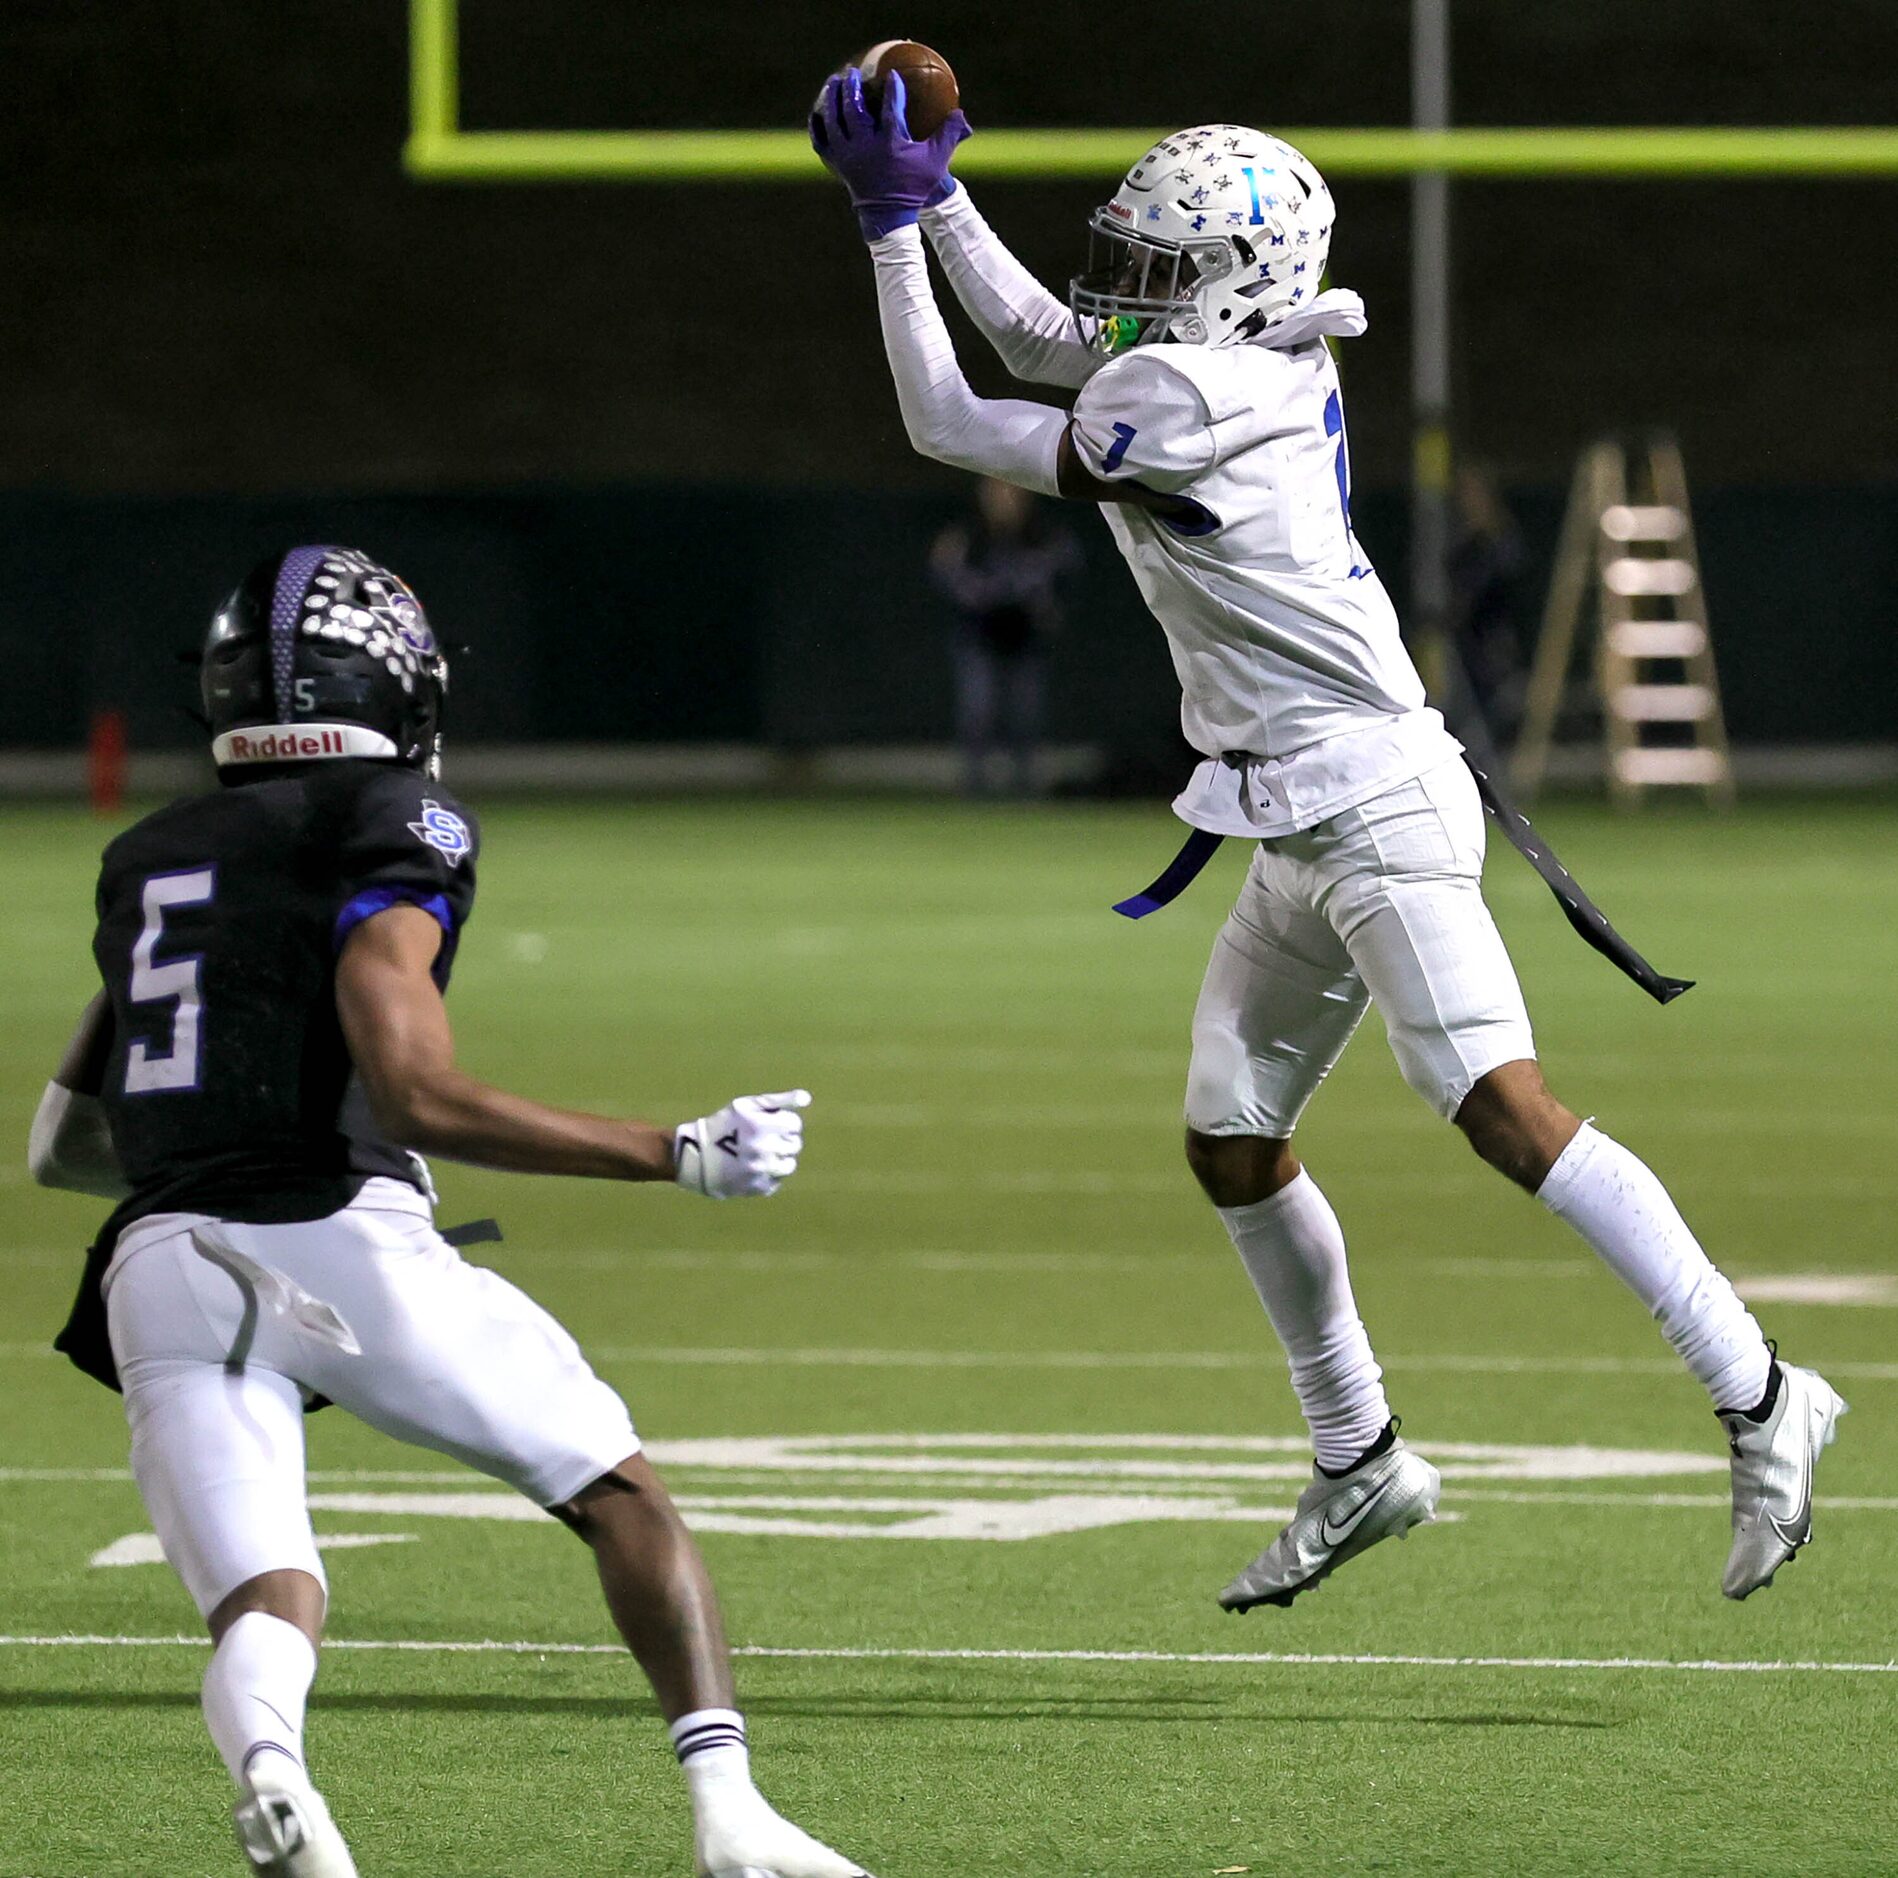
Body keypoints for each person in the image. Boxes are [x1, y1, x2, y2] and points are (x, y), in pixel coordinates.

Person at [810, 76, 1844, 1610]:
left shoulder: (1197, 398)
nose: (1130, 292)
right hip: (1286, 808)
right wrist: (939, 188)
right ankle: (1358, 1454)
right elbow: (1047, 347)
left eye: (1162, 269)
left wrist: (893, 221)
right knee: (1232, 1136)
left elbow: (949, 412)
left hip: (1367, 797)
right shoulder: (1213, 362)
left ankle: (1761, 1391)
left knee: (1500, 1109)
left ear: (1236, 289)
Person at [28, 546, 870, 1878]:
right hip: (343, 1242)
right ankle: (731, 1815)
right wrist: (677, 1150)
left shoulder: (151, 852)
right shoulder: (393, 817)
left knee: (270, 1592)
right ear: (399, 684)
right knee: (618, 1491)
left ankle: (274, 1769)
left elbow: (62, 1144)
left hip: (158, 1267)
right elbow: (414, 1093)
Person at [929, 475, 1075, 795]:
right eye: (997, 494)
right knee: (977, 714)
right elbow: (947, 573)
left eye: (1012, 493)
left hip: (1025, 639)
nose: (1005, 500)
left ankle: (1026, 788)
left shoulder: (1042, 534)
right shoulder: (969, 534)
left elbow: (1064, 571)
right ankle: (974, 786)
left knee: (1026, 717)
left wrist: (1046, 604)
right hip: (978, 637)